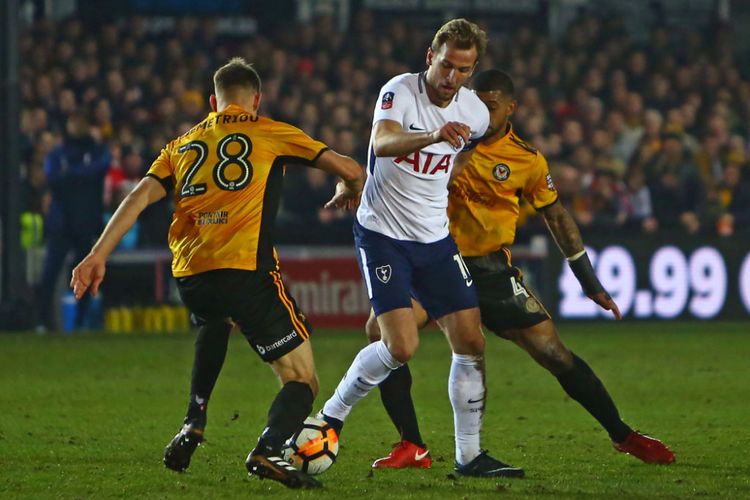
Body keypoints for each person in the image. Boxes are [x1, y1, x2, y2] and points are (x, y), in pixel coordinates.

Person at [70, 57, 364, 489]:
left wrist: (97, 255)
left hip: (191, 276)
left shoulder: (182, 144)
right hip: (246, 271)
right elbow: (353, 168)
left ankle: (194, 418)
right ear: (257, 100)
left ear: (212, 101)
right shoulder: (270, 131)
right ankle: (268, 448)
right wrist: (347, 187)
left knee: (215, 320)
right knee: (303, 380)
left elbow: (137, 196)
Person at [366, 69, 675, 469]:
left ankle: (623, 435)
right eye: (475, 103)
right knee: (382, 333)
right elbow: (388, 166)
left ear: (511, 108)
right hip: (436, 261)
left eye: (490, 107)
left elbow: (557, 217)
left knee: (554, 353)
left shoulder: (526, 160)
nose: (480, 113)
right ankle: (411, 444)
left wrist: (589, 281)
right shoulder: (441, 138)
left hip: (490, 268)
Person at [318, 19, 524, 478]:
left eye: (463, 70)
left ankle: (468, 457)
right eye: (447, 65)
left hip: (435, 238)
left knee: (471, 341)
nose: (452, 77)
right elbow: (383, 141)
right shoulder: (400, 91)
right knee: (400, 345)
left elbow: (464, 150)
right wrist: (433, 135)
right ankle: (329, 418)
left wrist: (443, 168)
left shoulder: (475, 113)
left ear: (473, 70)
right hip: (383, 235)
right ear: (431, 56)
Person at [36, 110, 111, 333]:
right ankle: (43, 322)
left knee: (86, 274)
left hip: (86, 222)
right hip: (62, 223)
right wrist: (81, 174)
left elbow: (98, 169)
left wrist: (70, 173)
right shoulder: (58, 153)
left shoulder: (96, 151)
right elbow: (53, 177)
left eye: (81, 122)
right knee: (49, 274)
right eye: (74, 122)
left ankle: (80, 322)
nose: (77, 126)